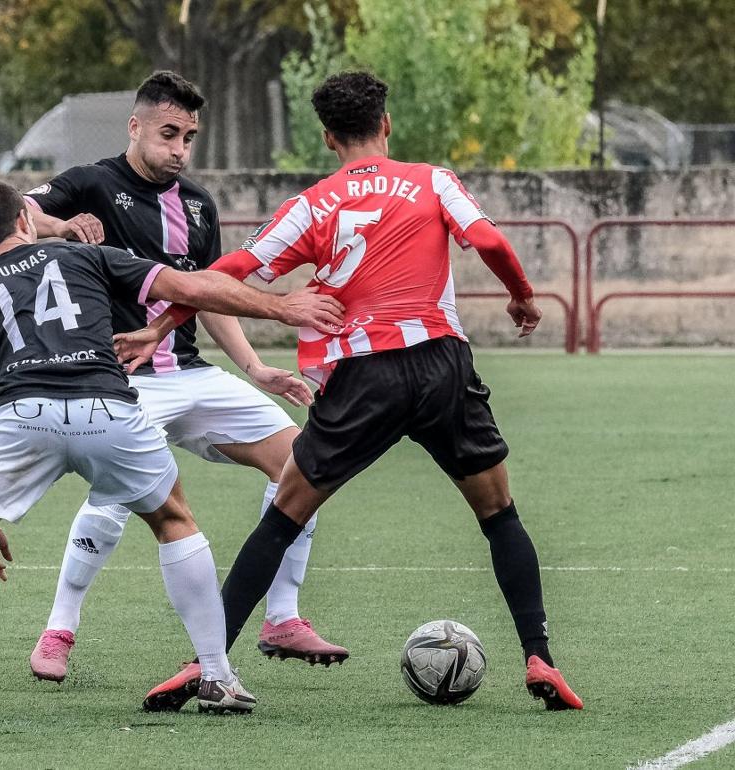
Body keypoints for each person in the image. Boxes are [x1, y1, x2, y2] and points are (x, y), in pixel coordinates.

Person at [0, 180, 345, 721]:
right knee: (175, 521)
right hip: (107, 409)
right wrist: (281, 307)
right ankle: (218, 676)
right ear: (23, 221)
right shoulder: (87, 258)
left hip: (19, 419)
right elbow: (193, 289)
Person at [122, 72, 584, 711]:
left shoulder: (313, 204)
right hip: (441, 365)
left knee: (284, 516)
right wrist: (522, 294)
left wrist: (159, 326)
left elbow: (226, 274)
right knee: (499, 513)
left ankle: (203, 664)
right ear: (386, 125)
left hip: (362, 374)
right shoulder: (431, 180)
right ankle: (540, 657)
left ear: (327, 137)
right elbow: (487, 240)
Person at [3, 70, 348, 683]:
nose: (179, 149)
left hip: (190, 373)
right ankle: (59, 629)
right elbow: (16, 212)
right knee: (115, 493)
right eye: (168, 133)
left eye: (188, 137)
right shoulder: (90, 183)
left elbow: (209, 295)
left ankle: (283, 618)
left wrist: (256, 368)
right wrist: (62, 225)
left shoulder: (196, 204)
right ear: (135, 127)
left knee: (304, 463)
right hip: (118, 379)